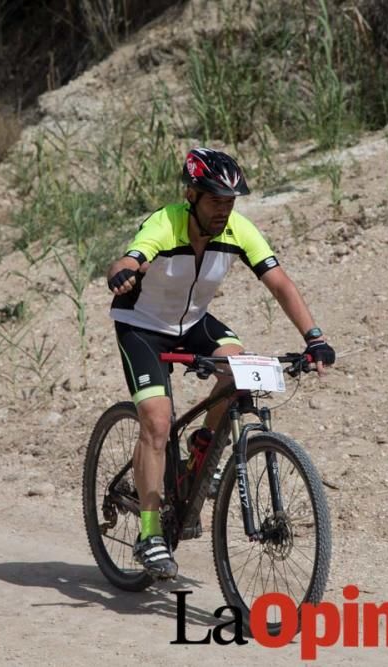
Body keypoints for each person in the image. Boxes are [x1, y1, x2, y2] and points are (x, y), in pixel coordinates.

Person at [106, 147, 335, 579]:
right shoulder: (165, 222)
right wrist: (121, 270)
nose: (224, 211)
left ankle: (203, 449)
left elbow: (279, 281)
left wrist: (314, 337)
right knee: (156, 421)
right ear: (192, 194)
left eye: (231, 202)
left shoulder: (238, 229)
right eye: (216, 201)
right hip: (142, 325)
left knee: (241, 371)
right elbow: (132, 258)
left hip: (191, 322)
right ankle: (150, 533)